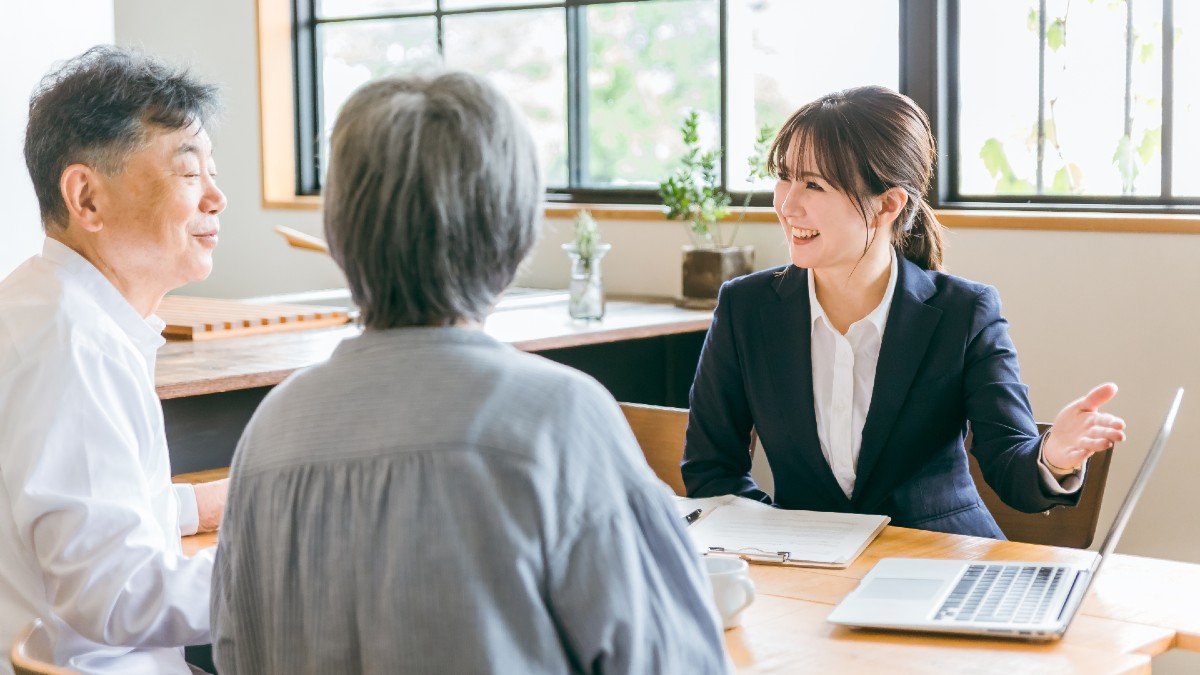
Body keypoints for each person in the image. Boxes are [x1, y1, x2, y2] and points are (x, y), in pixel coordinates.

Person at [210, 71, 729, 674]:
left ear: (339, 230)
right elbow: (675, 662)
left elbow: (233, 652)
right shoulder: (557, 418)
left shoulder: (273, 428)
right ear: (514, 228)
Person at [681, 86, 1126, 538]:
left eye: (813, 184)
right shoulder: (746, 308)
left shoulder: (965, 313)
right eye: (785, 177)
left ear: (888, 204)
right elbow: (711, 470)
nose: (787, 204)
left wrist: (1053, 456)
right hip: (809, 569)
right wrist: (784, 535)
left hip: (940, 560)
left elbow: (1012, 468)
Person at [0, 46, 229, 673]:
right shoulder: (74, 347)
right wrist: (301, 566)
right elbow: (117, 596)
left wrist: (198, 507)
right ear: (86, 198)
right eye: (189, 174)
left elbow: (62, 510)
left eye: (213, 170)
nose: (217, 197)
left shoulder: (38, 304)